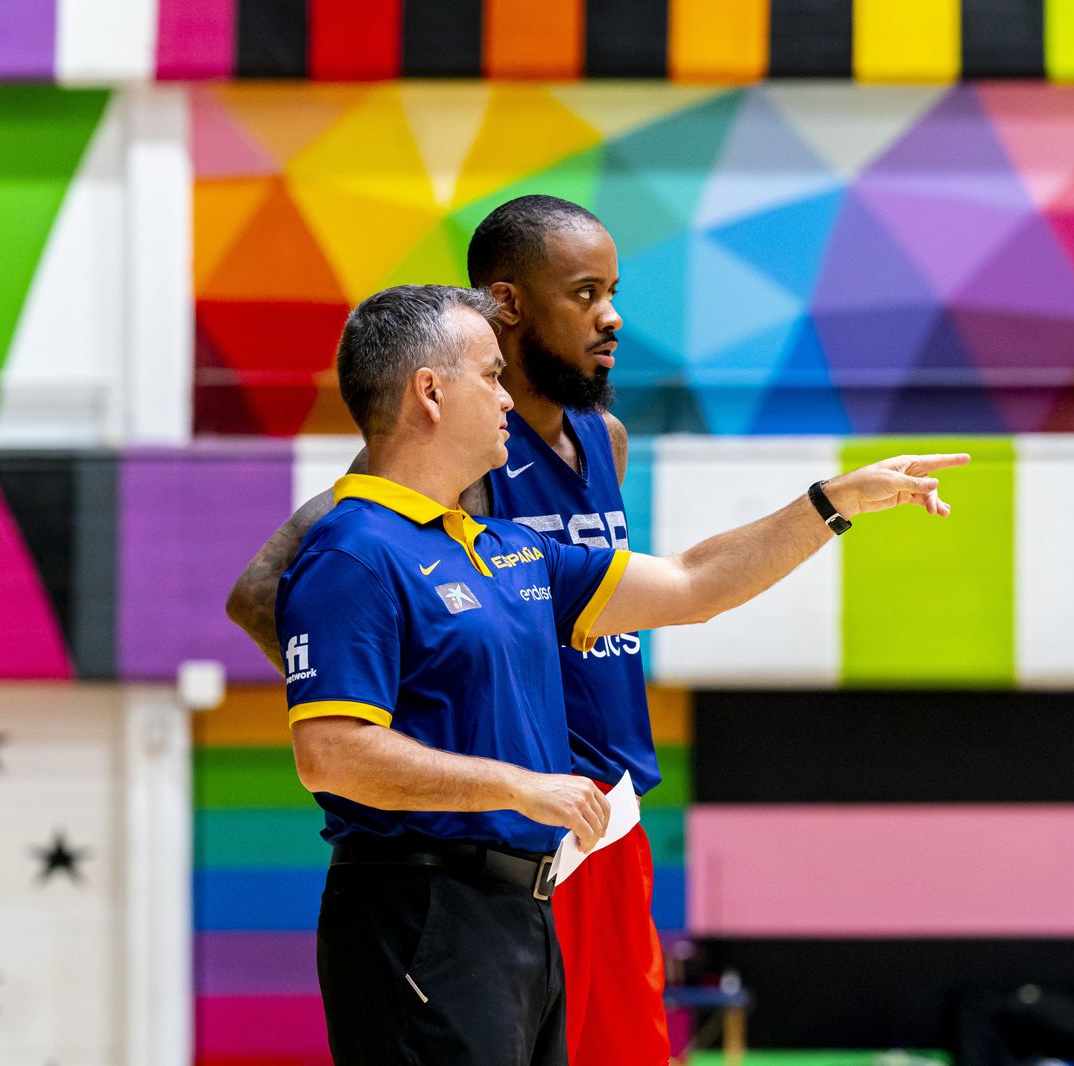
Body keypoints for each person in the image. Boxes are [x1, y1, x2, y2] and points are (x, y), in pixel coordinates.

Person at [273, 282, 966, 1065]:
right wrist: (518, 786)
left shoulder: (508, 550)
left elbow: (694, 583)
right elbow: (331, 752)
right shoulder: (353, 554)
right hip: (420, 910)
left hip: (522, 912)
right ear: (429, 392)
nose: (508, 398)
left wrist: (833, 501)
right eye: (491, 376)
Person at [228, 195, 677, 1063]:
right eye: (584, 294)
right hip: (522, 824)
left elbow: (665, 592)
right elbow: (261, 592)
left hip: (611, 819)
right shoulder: (451, 456)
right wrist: (417, 720)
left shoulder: (605, 438)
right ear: (507, 305)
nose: (610, 316)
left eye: (610, 291)